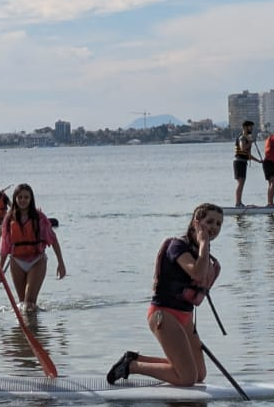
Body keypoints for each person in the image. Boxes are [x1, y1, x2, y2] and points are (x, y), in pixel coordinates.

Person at [107, 203, 223, 387]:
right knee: (187, 378)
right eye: (209, 222)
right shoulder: (177, 246)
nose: (214, 227)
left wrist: (203, 247)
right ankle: (132, 366)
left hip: (185, 317)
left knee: (199, 375)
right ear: (196, 222)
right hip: (163, 314)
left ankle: (134, 358)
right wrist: (204, 244)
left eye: (218, 224)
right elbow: (197, 273)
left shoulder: (201, 252)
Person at [0, 183, 66, 313]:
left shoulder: (40, 218)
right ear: (15, 198)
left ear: (31, 199)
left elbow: (53, 240)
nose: (23, 200)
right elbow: (4, 247)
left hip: (37, 260)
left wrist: (60, 263)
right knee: (22, 304)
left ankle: (34, 324)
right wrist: (0, 270)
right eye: (20, 197)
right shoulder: (9, 219)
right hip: (17, 262)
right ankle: (27, 324)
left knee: (29, 302)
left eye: (26, 197)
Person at [232, 120, 255, 207]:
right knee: (240, 182)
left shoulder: (246, 137)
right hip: (239, 162)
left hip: (242, 162)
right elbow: (242, 148)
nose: (252, 128)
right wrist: (251, 142)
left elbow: (247, 155)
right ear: (245, 127)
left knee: (242, 182)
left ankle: (239, 202)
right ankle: (238, 203)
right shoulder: (242, 137)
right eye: (250, 127)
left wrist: (259, 161)